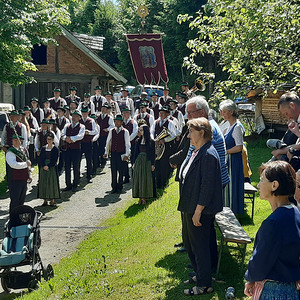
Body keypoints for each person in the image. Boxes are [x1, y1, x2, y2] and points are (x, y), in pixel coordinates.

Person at [178, 118, 223, 296]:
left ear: (202, 132)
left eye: (191, 131)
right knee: (190, 243)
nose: (188, 135)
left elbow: (207, 186)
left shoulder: (208, 154)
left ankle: (204, 284)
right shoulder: (199, 151)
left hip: (199, 209)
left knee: (200, 246)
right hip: (190, 205)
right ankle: (200, 274)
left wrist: (198, 211)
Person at [244, 161, 300, 299]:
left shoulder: (274, 222)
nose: (258, 184)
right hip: (291, 290)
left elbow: (260, 259)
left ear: (274, 185)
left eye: (262, 180)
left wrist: (250, 278)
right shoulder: (295, 213)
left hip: (273, 291)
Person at [219, 99, 244, 215]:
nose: (222, 114)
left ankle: (233, 209)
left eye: (224, 111)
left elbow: (239, 147)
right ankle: (227, 208)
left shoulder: (237, 127)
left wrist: (225, 152)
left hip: (234, 161)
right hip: (229, 160)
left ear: (231, 112)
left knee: (232, 185)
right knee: (227, 184)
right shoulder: (228, 126)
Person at [151, 106, 176, 189]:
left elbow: (173, 134)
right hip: (157, 146)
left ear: (166, 114)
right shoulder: (155, 122)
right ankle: (158, 183)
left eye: (162, 113)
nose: (161, 115)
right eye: (160, 113)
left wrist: (165, 140)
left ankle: (164, 182)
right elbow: (152, 131)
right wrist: (154, 139)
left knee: (164, 164)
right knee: (157, 164)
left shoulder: (170, 123)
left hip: (166, 146)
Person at [104, 114, 130, 194]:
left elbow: (127, 144)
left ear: (121, 122)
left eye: (119, 122)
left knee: (121, 171)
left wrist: (127, 154)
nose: (117, 123)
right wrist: (106, 152)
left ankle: (120, 187)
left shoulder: (125, 131)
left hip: (121, 153)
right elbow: (108, 142)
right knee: (113, 170)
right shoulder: (112, 131)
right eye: (116, 121)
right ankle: (114, 187)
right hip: (114, 153)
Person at [6, 135, 32, 212]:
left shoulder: (24, 150)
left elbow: (29, 164)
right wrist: (25, 164)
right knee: (15, 200)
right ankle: (13, 217)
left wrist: (29, 175)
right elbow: (13, 164)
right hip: (14, 179)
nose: (15, 142)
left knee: (21, 199)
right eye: (14, 140)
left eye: (17, 140)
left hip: (23, 179)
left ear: (21, 141)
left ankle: (20, 217)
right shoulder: (10, 152)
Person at [131, 124, 156, 204]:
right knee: (139, 178)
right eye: (139, 130)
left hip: (147, 161)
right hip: (139, 161)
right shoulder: (138, 141)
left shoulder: (151, 141)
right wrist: (134, 163)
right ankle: (139, 197)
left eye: (141, 130)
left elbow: (152, 153)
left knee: (145, 179)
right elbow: (135, 152)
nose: (140, 132)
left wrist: (153, 164)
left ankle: (144, 197)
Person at [61, 110, 85, 192]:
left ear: (79, 118)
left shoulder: (82, 126)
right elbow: (62, 134)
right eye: (73, 116)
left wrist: (71, 139)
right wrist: (66, 139)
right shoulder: (67, 125)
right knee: (67, 167)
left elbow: (81, 136)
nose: (74, 118)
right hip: (67, 149)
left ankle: (75, 183)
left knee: (76, 167)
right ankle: (68, 184)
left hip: (76, 149)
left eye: (76, 116)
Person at [37, 132, 60, 207]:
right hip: (44, 167)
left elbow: (55, 160)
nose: (49, 140)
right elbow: (40, 158)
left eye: (50, 139)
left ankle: (52, 200)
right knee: (44, 183)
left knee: (52, 183)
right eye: (48, 139)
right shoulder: (43, 148)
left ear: (53, 140)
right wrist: (43, 165)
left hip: (51, 168)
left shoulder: (55, 149)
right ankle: (45, 200)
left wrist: (49, 166)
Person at [79, 107, 97, 183]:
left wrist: (88, 132)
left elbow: (95, 131)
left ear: (88, 113)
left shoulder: (91, 121)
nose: (84, 114)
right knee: (78, 160)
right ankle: (77, 175)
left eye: (85, 113)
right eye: (83, 113)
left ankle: (89, 176)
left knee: (89, 160)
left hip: (88, 142)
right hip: (80, 143)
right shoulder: (79, 121)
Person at [96, 103, 115, 169]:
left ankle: (103, 162)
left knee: (104, 148)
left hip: (105, 135)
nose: (103, 110)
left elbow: (112, 126)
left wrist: (107, 129)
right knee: (98, 148)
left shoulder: (109, 118)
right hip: (98, 135)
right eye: (102, 108)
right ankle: (97, 162)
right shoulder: (98, 117)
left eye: (104, 109)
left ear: (107, 110)